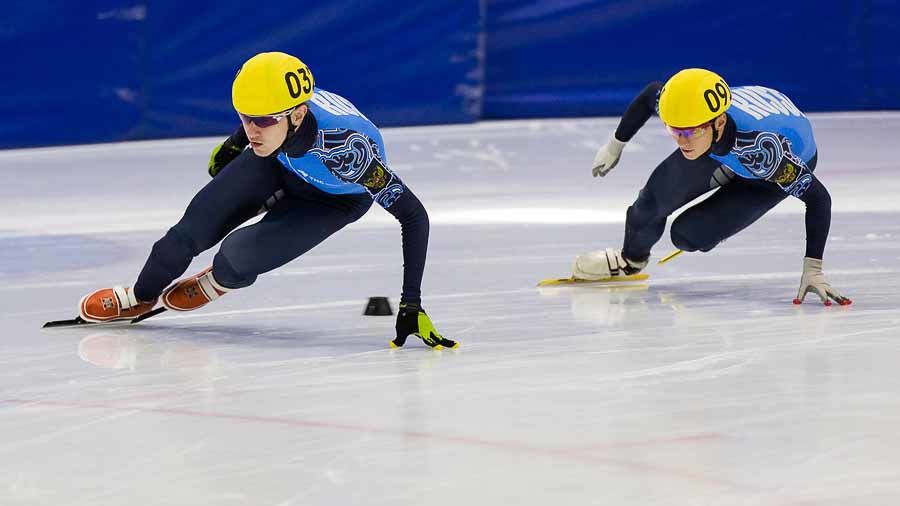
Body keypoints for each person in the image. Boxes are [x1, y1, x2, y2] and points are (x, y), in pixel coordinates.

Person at [78, 52, 457, 348]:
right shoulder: (273, 122)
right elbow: (258, 114)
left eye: (261, 122)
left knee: (235, 257)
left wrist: (411, 303)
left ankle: (220, 281)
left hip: (331, 201)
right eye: (245, 119)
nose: (251, 129)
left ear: (298, 116)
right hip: (279, 162)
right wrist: (235, 144)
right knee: (185, 235)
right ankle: (139, 297)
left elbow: (414, 216)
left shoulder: (348, 152)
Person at [575, 68, 851, 306]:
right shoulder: (694, 118)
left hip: (774, 161)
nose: (682, 141)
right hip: (724, 143)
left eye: (690, 132)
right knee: (649, 205)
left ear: (718, 123)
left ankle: (731, 191)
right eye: (675, 131)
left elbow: (818, 199)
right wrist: (615, 145)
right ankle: (630, 261)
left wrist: (813, 268)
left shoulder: (767, 152)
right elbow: (651, 93)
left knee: (687, 236)